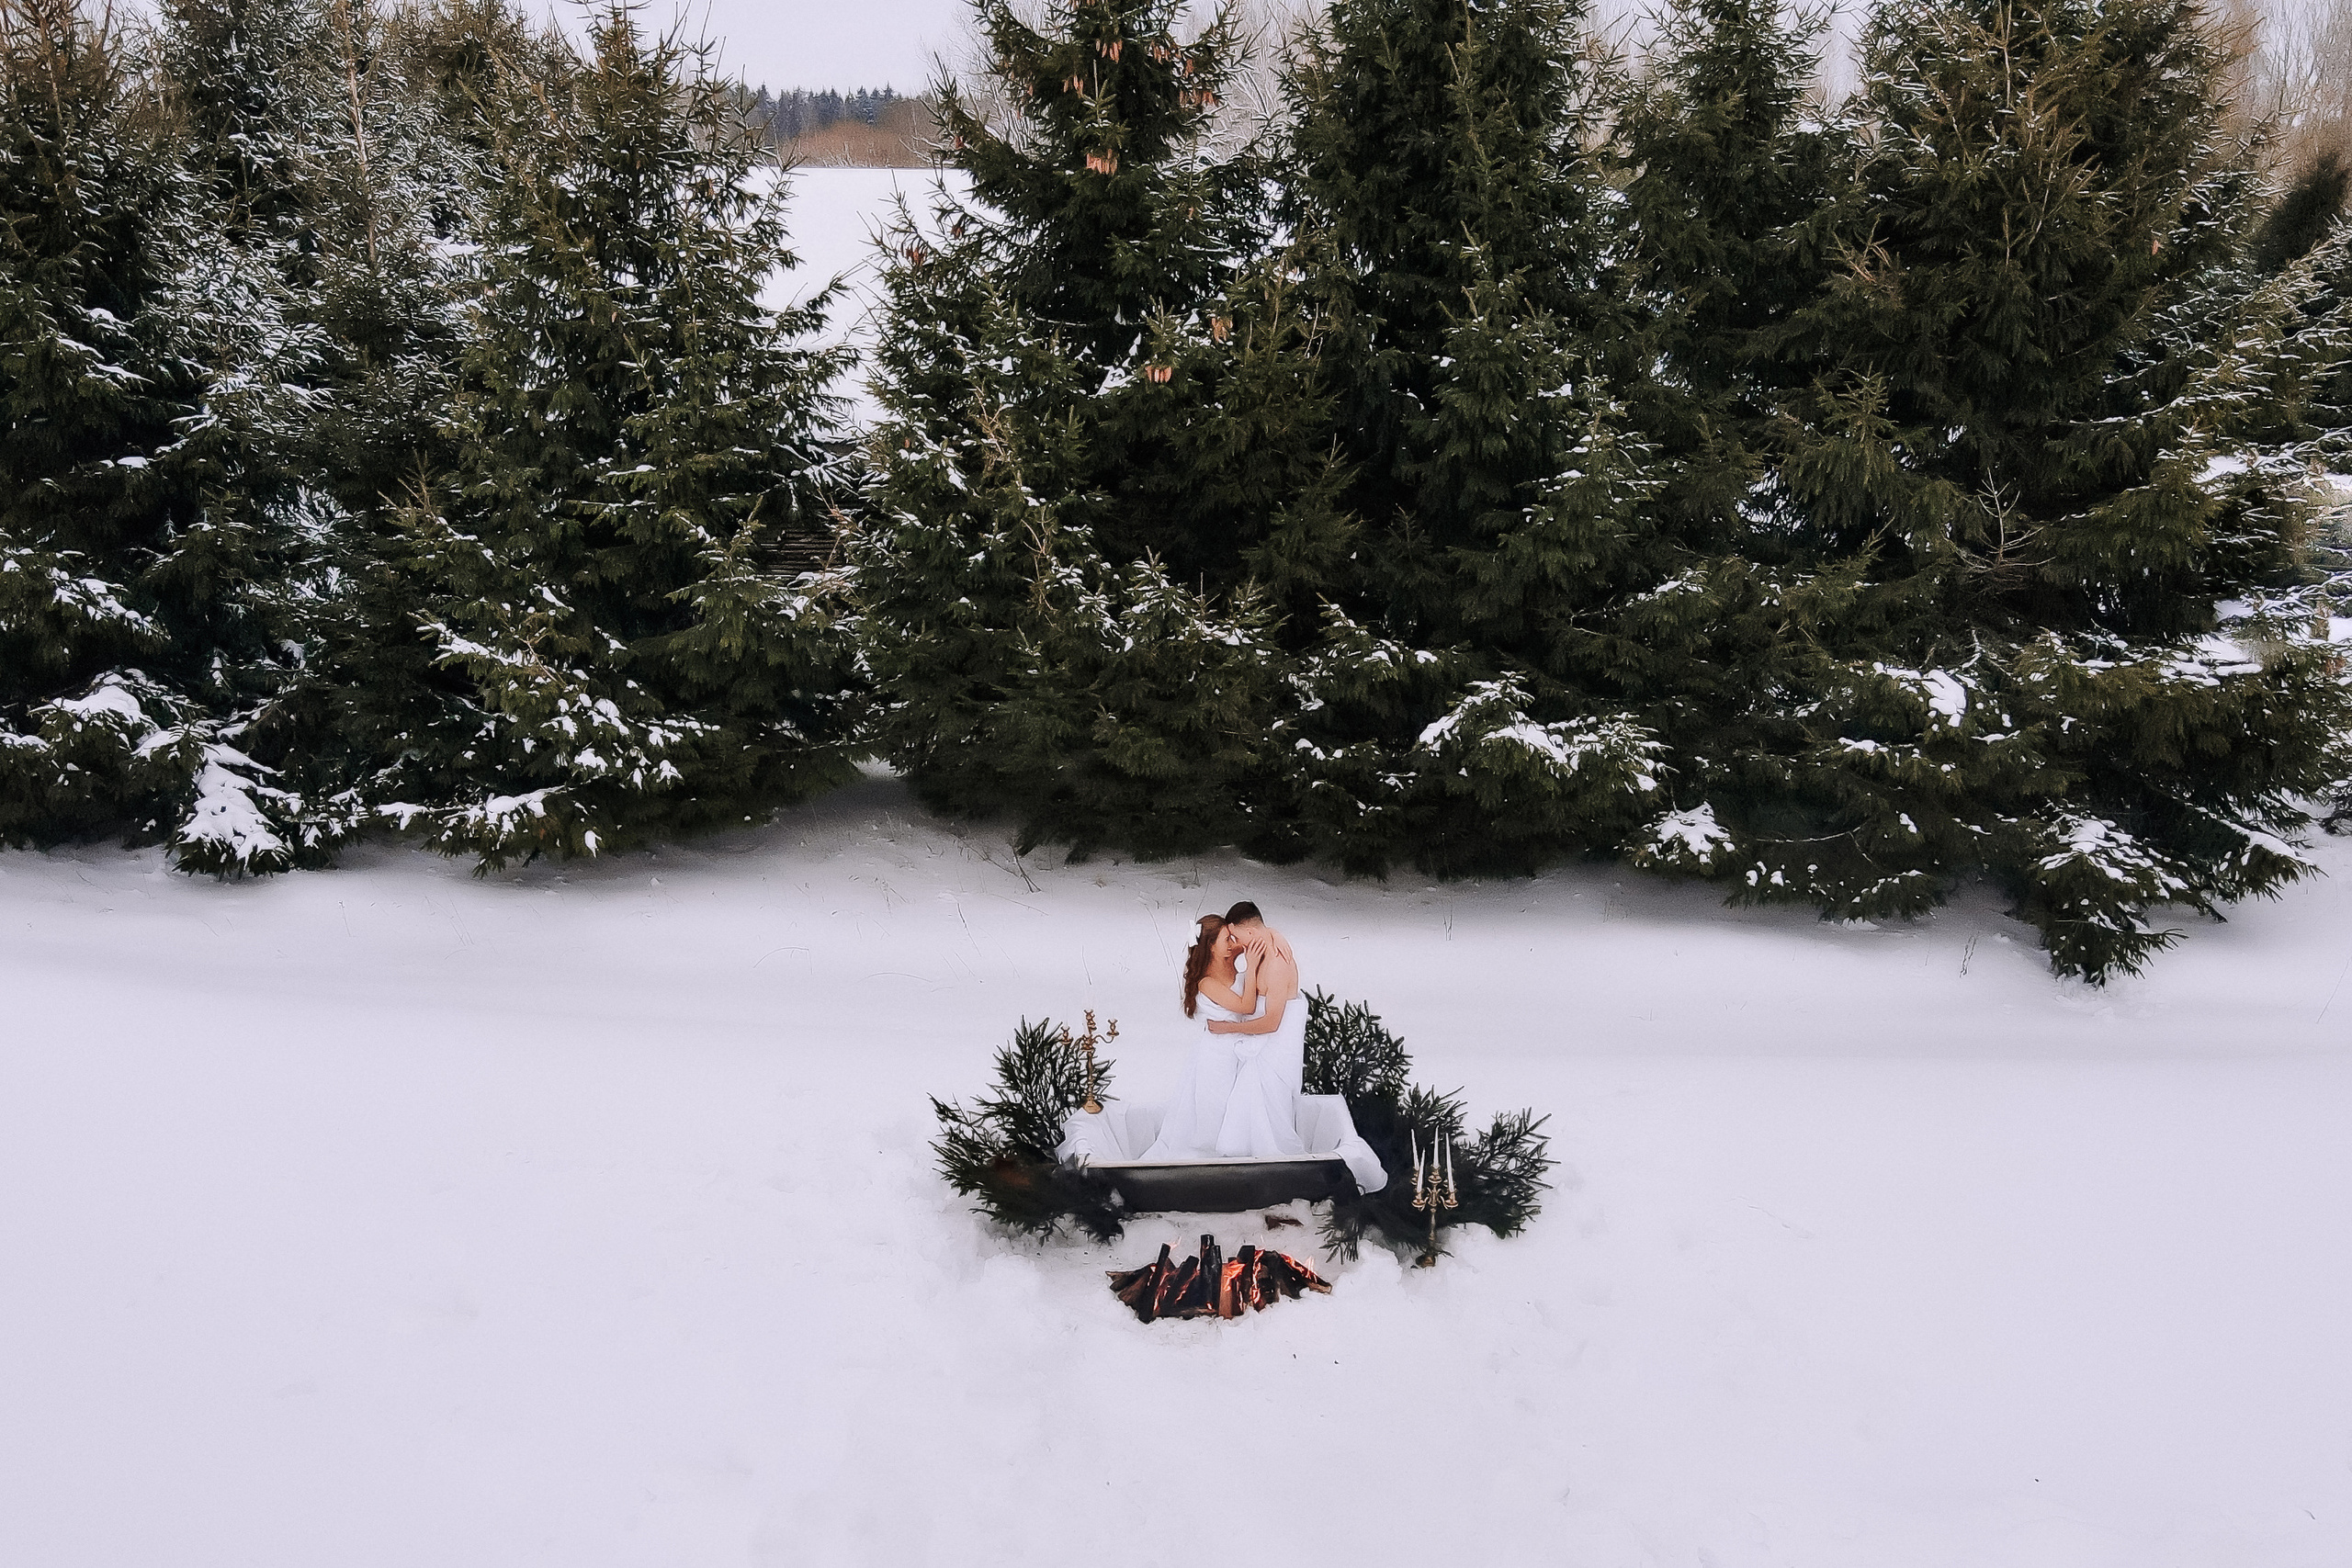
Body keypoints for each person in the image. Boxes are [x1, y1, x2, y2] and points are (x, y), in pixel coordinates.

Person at [1140, 902, 1307, 1161]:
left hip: (1240, 1047)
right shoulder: (1207, 980)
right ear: (1211, 947)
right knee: (1215, 1109)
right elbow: (1247, 1005)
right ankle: (1207, 1158)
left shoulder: (1234, 955)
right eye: (1226, 940)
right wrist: (1251, 969)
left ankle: (1235, 1156)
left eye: (1233, 938)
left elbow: (1254, 931)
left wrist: (1275, 933)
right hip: (1217, 1051)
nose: (1233, 943)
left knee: (1235, 1110)